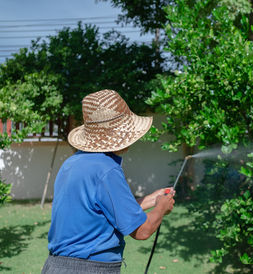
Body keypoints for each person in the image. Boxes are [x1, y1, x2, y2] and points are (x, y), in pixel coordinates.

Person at [42, 89, 175, 274]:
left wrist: (153, 199)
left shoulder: (71, 163)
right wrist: (162, 208)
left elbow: (104, 210)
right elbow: (142, 231)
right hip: (88, 269)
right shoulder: (107, 169)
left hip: (55, 266)